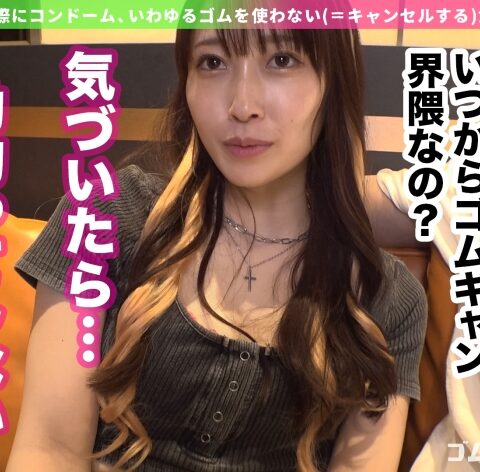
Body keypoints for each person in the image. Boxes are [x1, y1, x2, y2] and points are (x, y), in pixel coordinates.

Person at [6, 27, 427, 472]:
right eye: (212, 62)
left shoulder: (384, 297)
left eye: (282, 60)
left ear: (334, 82)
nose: (242, 106)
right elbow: (49, 451)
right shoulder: (103, 216)